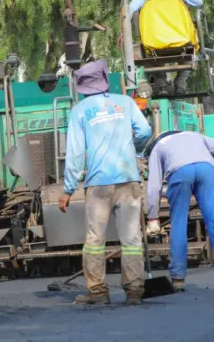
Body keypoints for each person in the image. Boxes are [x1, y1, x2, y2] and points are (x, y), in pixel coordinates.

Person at [58, 59, 152, 306]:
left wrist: (68, 189)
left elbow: (76, 154)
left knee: (95, 239)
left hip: (99, 184)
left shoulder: (80, 111)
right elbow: (144, 131)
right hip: (129, 180)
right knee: (131, 239)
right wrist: (137, 151)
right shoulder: (125, 102)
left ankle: (98, 293)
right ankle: (134, 292)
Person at [144, 130, 214, 294]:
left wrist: (153, 217)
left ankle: (178, 279)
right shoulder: (195, 135)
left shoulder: (158, 148)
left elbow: (154, 187)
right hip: (206, 170)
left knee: (178, 224)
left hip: (179, 173)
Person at [129, 0, 204, 95]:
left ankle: (162, 83)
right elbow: (198, 1)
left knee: (148, 55)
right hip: (181, 39)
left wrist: (122, 33)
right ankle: (181, 83)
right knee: (191, 50)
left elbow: (129, 10)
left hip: (154, 42)